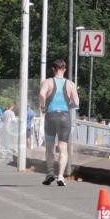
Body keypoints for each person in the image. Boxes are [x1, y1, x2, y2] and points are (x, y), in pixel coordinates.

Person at [38, 58, 80, 186]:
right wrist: (68, 106)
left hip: (50, 116)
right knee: (63, 148)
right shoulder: (70, 84)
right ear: (64, 69)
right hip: (64, 117)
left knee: (49, 147)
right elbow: (77, 103)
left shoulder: (48, 82)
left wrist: (43, 106)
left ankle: (50, 172)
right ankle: (61, 176)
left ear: (53, 69)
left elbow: (41, 94)